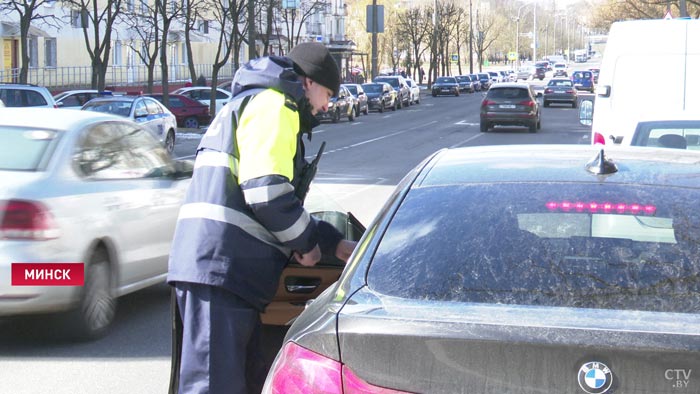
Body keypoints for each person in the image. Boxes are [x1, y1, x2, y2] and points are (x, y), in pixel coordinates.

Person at [167, 43, 356, 394]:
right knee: (214, 386)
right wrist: (308, 244)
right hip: (221, 270)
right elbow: (266, 192)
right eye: (328, 93)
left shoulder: (254, 101)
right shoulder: (276, 103)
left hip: (217, 267)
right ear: (308, 82)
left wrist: (330, 241)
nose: (327, 105)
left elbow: (266, 199)